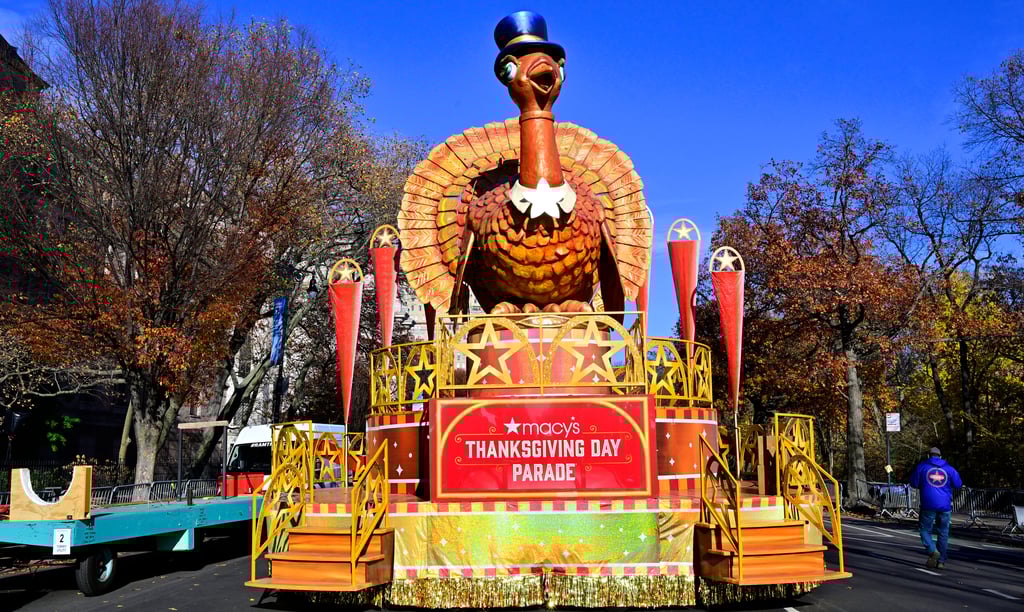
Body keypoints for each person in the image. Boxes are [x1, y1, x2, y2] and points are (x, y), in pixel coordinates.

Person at [909, 447, 963, 569]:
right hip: (945, 505)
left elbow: (914, 483)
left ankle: (932, 550)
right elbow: (958, 484)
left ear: (929, 456)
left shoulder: (922, 467)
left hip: (928, 504)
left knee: (924, 530)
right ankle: (941, 561)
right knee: (943, 533)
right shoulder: (949, 468)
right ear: (940, 456)